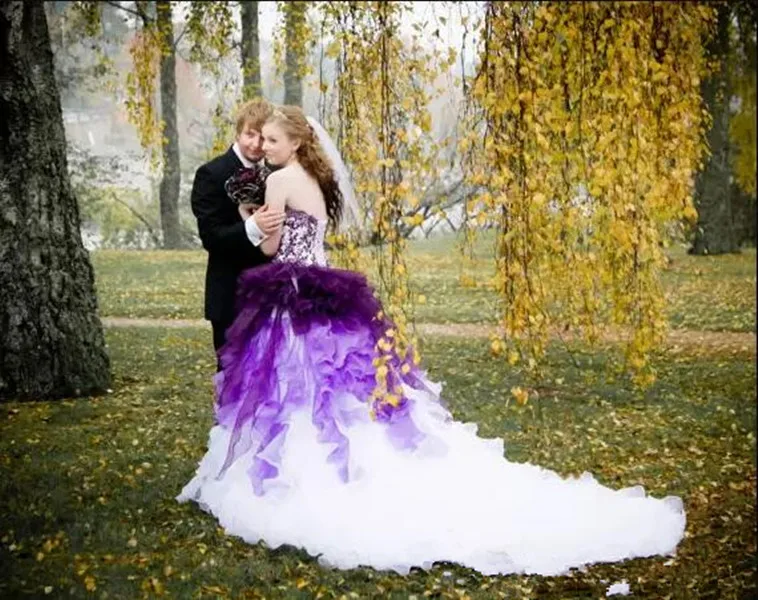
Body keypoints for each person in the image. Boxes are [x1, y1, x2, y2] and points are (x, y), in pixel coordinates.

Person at [178, 105, 686, 577]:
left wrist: (250, 220)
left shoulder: (282, 180)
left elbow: (269, 244)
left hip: (289, 290)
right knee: (338, 384)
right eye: (259, 138)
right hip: (323, 284)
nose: (263, 146)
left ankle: (294, 473)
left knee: (291, 385)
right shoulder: (315, 177)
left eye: (271, 138)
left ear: (292, 142)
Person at [190, 98, 286, 368]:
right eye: (249, 134)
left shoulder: (278, 173)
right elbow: (212, 237)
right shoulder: (211, 174)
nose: (256, 144)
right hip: (231, 296)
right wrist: (254, 227)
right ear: (238, 132)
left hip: (271, 295)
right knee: (234, 378)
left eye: (263, 137)